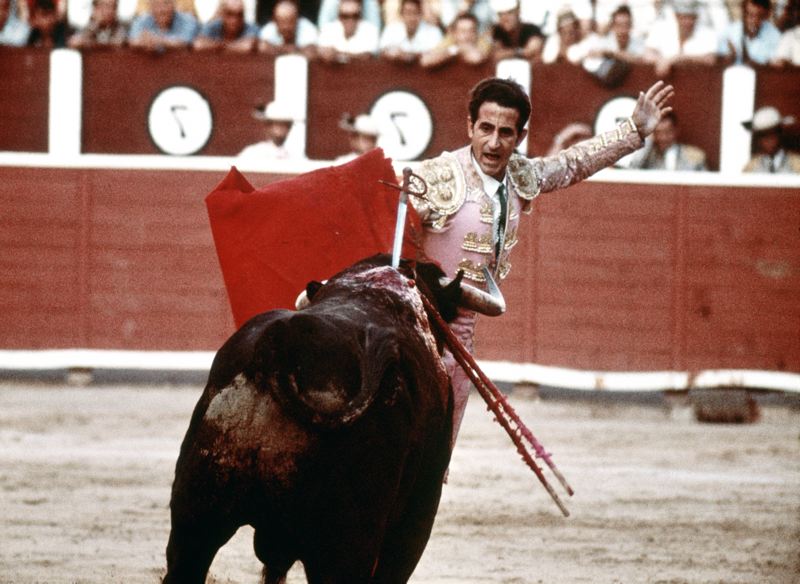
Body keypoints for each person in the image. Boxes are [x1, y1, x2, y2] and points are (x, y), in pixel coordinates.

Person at [410, 77, 674, 447]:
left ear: (520, 136)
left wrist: (633, 131)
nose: (493, 143)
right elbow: (388, 230)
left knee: (438, 449)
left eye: (505, 132)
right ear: (470, 126)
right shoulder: (435, 177)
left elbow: (573, 163)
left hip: (462, 336)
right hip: (415, 325)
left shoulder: (520, 177)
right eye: (485, 129)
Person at [643, 0, 718, 77]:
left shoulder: (707, 32)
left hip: (696, 79)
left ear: (697, 17)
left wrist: (677, 58)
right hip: (665, 79)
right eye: (684, 17)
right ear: (676, 16)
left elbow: (710, 59)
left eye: (692, 17)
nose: (688, 21)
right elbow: (648, 54)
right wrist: (661, 61)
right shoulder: (661, 28)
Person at [631, 112, 707, 171]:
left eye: (667, 132)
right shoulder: (647, 157)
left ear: (676, 131)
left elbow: (705, 182)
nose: (663, 138)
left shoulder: (694, 156)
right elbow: (632, 171)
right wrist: (648, 141)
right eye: (658, 133)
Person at [419, 11, 492, 68]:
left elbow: (476, 59)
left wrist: (460, 49)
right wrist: (454, 50)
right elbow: (426, 61)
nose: (467, 35)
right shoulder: (450, 40)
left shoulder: (482, 41)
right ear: (455, 33)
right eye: (463, 31)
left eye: (471, 31)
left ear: (476, 33)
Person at [719, 0, 781, 65]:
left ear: (766, 16)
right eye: (750, 15)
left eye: (759, 16)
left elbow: (773, 67)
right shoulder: (729, 32)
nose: (754, 21)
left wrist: (750, 62)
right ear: (743, 13)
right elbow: (720, 64)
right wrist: (731, 57)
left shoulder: (774, 35)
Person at [742, 106, 800, 173]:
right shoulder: (750, 167)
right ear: (758, 139)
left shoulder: (797, 164)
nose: (768, 140)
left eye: (772, 133)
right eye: (763, 135)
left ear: (780, 133)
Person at [129, 0, 198, 51]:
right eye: (156, 4)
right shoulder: (142, 20)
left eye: (166, 3)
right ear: (150, 6)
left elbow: (185, 42)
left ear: (174, 4)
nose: (161, 10)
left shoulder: (187, 20)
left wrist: (157, 41)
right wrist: (144, 42)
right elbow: (132, 40)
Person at [192, 0, 258, 51]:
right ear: (223, 15)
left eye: (239, 15)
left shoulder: (251, 28)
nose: (235, 20)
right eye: (229, 14)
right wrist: (233, 46)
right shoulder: (213, 26)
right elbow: (198, 44)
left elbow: (247, 47)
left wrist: (216, 46)